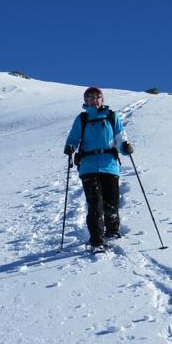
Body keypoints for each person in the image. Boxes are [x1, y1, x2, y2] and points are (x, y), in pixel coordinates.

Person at [63, 87, 134, 249]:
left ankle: (113, 231)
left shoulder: (111, 117)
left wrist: (125, 147)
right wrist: (70, 147)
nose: (93, 100)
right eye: (89, 97)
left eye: (96, 97)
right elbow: (73, 137)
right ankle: (96, 239)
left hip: (109, 165)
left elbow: (120, 137)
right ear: (85, 101)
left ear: (102, 99)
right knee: (95, 203)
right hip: (88, 166)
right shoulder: (82, 119)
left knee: (112, 202)